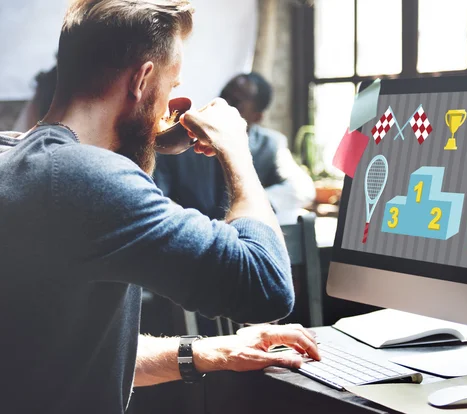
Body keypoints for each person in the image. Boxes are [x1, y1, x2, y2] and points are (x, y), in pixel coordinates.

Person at [0, 1, 319, 413]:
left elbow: (65, 354)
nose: (169, 105)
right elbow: (267, 286)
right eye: (171, 87)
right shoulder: (85, 177)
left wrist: (214, 351)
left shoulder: (16, 156)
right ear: (143, 79)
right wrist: (237, 151)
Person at [154, 72, 315, 223]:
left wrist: (250, 206)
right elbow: (157, 196)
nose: (224, 104)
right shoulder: (182, 140)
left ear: (257, 116)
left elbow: (302, 188)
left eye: (236, 102)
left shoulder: (270, 144)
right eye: (223, 95)